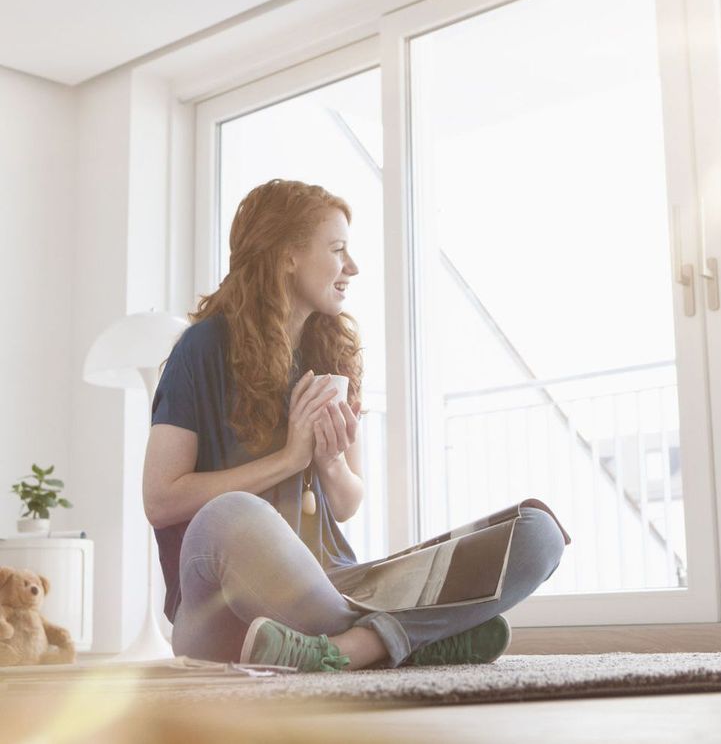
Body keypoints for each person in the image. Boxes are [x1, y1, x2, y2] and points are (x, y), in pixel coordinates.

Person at [143, 178, 568, 673]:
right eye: (338, 249)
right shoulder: (201, 349)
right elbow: (160, 499)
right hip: (226, 609)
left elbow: (345, 505)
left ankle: (351, 649)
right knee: (230, 514)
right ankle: (411, 637)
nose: (353, 268)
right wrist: (288, 459)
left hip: (339, 583)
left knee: (540, 532)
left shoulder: (330, 354)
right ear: (287, 256)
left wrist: (329, 461)